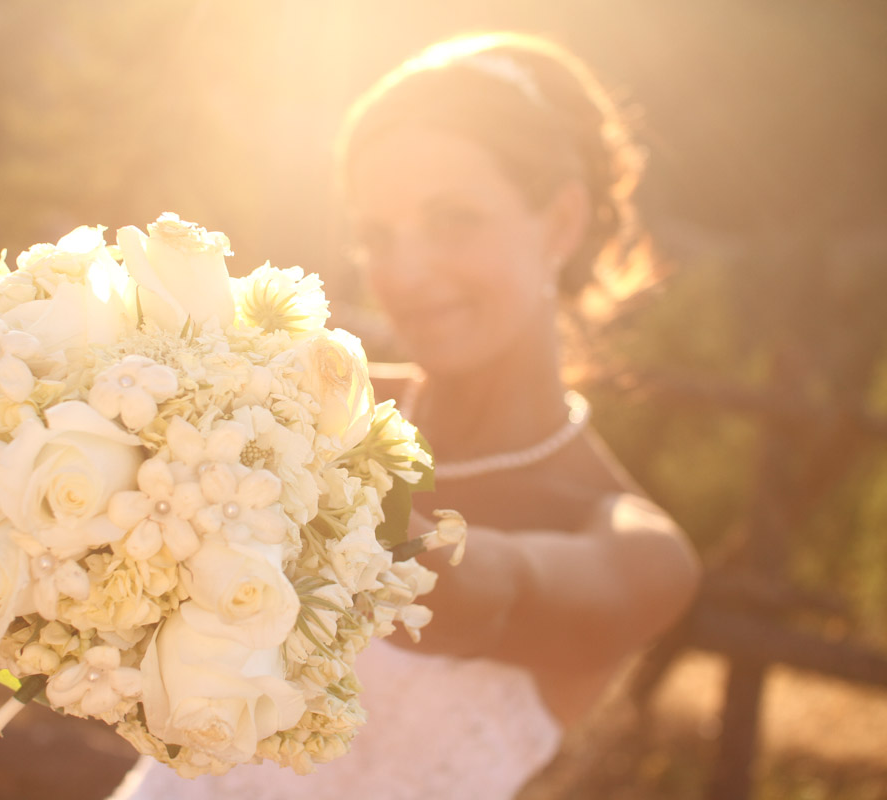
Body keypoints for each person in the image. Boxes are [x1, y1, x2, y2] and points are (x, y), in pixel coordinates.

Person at [110, 31, 701, 800]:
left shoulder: (635, 552)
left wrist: (257, 472)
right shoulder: (296, 398)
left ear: (560, 223)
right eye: (377, 236)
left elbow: (482, 597)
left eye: (454, 219)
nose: (408, 272)